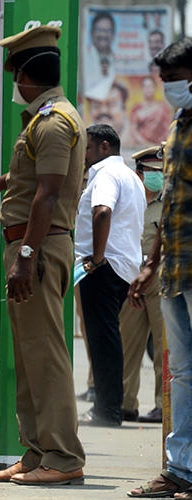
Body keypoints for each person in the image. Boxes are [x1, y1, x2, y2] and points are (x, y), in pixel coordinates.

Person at [0, 25, 86, 485]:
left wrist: (27, 256)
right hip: (28, 243)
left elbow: (49, 195)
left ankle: (63, 457)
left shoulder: (55, 122)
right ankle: (36, 453)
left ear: (29, 76)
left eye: (15, 72)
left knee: (47, 354)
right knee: (29, 353)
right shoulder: (43, 120)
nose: (13, 82)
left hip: (39, 244)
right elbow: (34, 181)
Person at [128, 38, 192, 499]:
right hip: (174, 268)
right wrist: (151, 264)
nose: (168, 89)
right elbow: (169, 206)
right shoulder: (177, 128)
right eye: (164, 81)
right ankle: (181, 470)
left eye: (175, 80)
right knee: (182, 374)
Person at [75, 124, 145, 427]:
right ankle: (110, 406)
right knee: (108, 337)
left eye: (87, 148)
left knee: (103, 339)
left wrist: (98, 258)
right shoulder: (130, 175)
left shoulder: (105, 174)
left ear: (104, 147)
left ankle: (108, 410)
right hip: (122, 266)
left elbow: (102, 212)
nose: (84, 154)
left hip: (104, 266)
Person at [119, 145, 165, 424]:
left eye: (160, 173)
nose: (156, 178)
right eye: (151, 172)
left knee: (163, 346)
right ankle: (124, 404)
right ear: (139, 172)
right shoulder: (129, 199)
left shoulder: (169, 202)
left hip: (160, 278)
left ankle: (162, 405)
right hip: (130, 277)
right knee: (128, 344)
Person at [84, 11, 117, 100]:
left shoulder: (118, 59)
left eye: (107, 31)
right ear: (92, 33)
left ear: (113, 34)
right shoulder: (84, 56)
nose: (103, 34)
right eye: (99, 30)